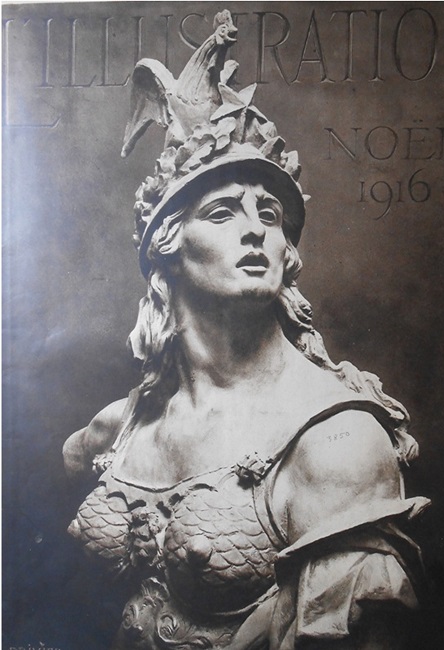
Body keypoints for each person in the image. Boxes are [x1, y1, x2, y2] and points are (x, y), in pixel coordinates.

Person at [61, 12, 425, 648]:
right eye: (223, 212)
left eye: (271, 215)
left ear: (288, 254)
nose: (257, 229)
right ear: (166, 250)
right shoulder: (113, 430)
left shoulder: (336, 438)